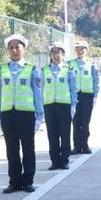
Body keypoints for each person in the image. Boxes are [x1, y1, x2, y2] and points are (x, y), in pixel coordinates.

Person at [0, 34, 43, 193]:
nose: (14, 50)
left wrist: (39, 117)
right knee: (11, 149)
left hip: (26, 115)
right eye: (11, 48)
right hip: (8, 115)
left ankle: (28, 181)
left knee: (28, 148)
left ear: (24, 49)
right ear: (8, 50)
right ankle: (14, 181)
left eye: (17, 47)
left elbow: (37, 94)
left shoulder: (32, 70)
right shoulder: (1, 69)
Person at [42, 42, 77, 170]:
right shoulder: (44, 70)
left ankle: (64, 160)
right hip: (49, 106)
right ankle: (55, 161)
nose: (56, 55)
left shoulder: (68, 70)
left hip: (64, 106)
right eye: (53, 52)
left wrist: (73, 106)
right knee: (52, 134)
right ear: (50, 55)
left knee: (65, 133)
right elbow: (41, 89)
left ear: (63, 54)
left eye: (58, 52)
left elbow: (73, 89)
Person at [68, 40, 99, 154]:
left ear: (87, 50)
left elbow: (96, 80)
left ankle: (85, 145)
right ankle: (76, 147)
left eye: (83, 49)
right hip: (75, 96)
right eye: (78, 49)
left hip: (87, 95)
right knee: (76, 122)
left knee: (85, 122)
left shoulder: (91, 64)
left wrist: (95, 95)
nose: (80, 51)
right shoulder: (70, 64)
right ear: (75, 50)